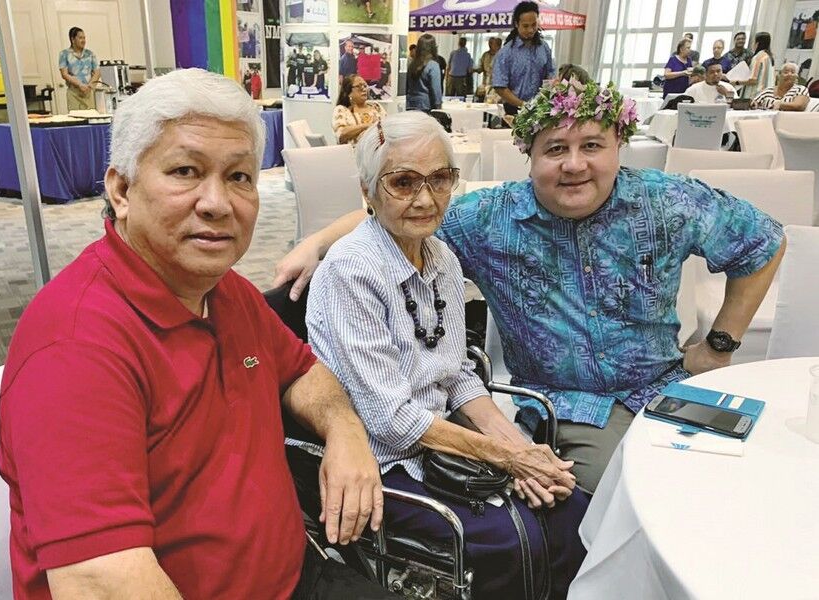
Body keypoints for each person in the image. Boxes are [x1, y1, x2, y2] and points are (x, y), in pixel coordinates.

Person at [273, 81, 785, 494]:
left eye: (592, 145)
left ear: (619, 147)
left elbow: (763, 242)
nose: (574, 164)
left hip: (668, 387)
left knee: (740, 478)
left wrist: (719, 346)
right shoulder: (489, 219)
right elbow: (399, 207)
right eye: (555, 149)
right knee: (640, 497)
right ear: (530, 158)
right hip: (568, 407)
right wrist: (316, 241)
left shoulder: (668, 201)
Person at [0, 68, 393, 600]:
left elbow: (302, 371)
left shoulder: (226, 293)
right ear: (121, 190)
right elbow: (102, 582)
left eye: (239, 177)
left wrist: (345, 431)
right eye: (186, 171)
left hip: (298, 575)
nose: (218, 203)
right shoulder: (75, 347)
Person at [303, 110, 588, 599]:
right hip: (383, 459)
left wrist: (518, 450)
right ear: (368, 192)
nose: (426, 198)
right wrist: (505, 458)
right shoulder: (352, 271)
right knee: (506, 539)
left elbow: (456, 374)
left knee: (571, 509)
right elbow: (391, 419)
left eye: (440, 179)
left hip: (445, 447)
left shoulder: (442, 258)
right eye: (403, 182)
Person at [492, 1, 556, 115]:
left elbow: (551, 76)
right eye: (525, 26)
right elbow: (500, 87)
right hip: (514, 110)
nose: (531, 30)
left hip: (540, 110)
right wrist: (524, 105)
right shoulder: (506, 53)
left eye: (534, 25)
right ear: (517, 24)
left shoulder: (544, 48)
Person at [332, 74, 386, 145]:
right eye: (359, 86)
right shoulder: (342, 110)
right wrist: (367, 126)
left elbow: (387, 127)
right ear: (349, 93)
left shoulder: (376, 106)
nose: (364, 89)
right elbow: (341, 135)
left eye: (365, 86)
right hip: (353, 153)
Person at [58, 26, 99, 111]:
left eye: (84, 38)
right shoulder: (64, 54)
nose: (83, 40)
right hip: (74, 93)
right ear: (73, 39)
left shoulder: (90, 54)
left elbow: (97, 72)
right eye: (80, 38)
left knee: (91, 117)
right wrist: (80, 85)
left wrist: (89, 86)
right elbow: (64, 74)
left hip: (88, 92)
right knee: (76, 118)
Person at [405, 33, 443, 113]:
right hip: (425, 105)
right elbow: (436, 90)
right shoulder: (433, 65)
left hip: (409, 104)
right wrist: (438, 107)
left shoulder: (412, 64)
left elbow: (407, 85)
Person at [733, 31, 775, 99]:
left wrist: (736, 82)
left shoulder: (758, 57)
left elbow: (753, 80)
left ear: (757, 43)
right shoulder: (769, 57)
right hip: (766, 95)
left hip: (755, 96)